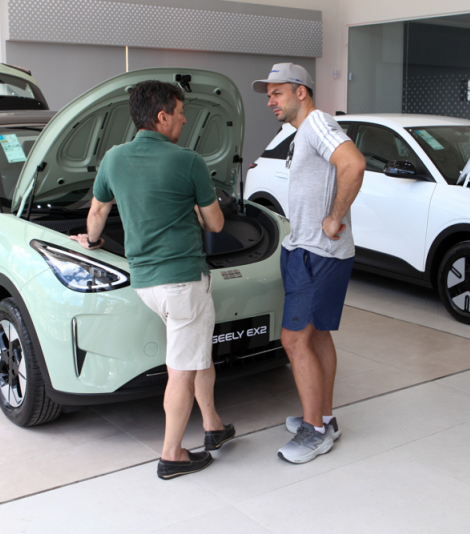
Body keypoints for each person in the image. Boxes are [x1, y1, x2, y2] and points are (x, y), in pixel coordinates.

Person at [71, 80, 235, 479]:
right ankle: (171, 454)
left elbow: (96, 217)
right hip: (183, 283)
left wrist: (90, 243)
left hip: (146, 282)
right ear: (162, 117)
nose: (183, 119)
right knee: (181, 368)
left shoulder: (112, 159)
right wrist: (192, 210)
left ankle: (212, 425)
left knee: (196, 354)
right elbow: (215, 222)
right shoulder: (188, 161)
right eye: (179, 113)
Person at [252, 63, 366, 464]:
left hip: (319, 251)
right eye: (268, 94)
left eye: (277, 93)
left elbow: (353, 164)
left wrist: (334, 217)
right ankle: (325, 418)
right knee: (316, 337)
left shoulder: (317, 123)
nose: (270, 101)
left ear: (301, 92)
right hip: (310, 249)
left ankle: (314, 431)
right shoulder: (303, 132)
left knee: (294, 339)